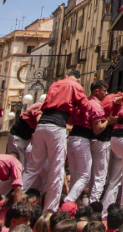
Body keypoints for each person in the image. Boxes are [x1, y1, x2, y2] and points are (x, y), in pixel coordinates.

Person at [22, 71, 89, 210]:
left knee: (33, 167)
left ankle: (17, 197)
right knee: (56, 169)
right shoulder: (75, 86)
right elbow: (86, 107)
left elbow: (46, 103)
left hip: (41, 125)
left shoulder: (55, 84)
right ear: (77, 78)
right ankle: (50, 210)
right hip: (57, 126)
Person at [63, 80, 108, 207]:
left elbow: (70, 120)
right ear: (96, 91)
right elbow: (97, 129)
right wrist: (108, 121)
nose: (106, 93)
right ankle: (69, 201)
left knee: (75, 175)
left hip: (71, 140)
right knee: (84, 176)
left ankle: (73, 203)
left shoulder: (82, 103)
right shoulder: (96, 105)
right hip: (82, 141)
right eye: (104, 91)